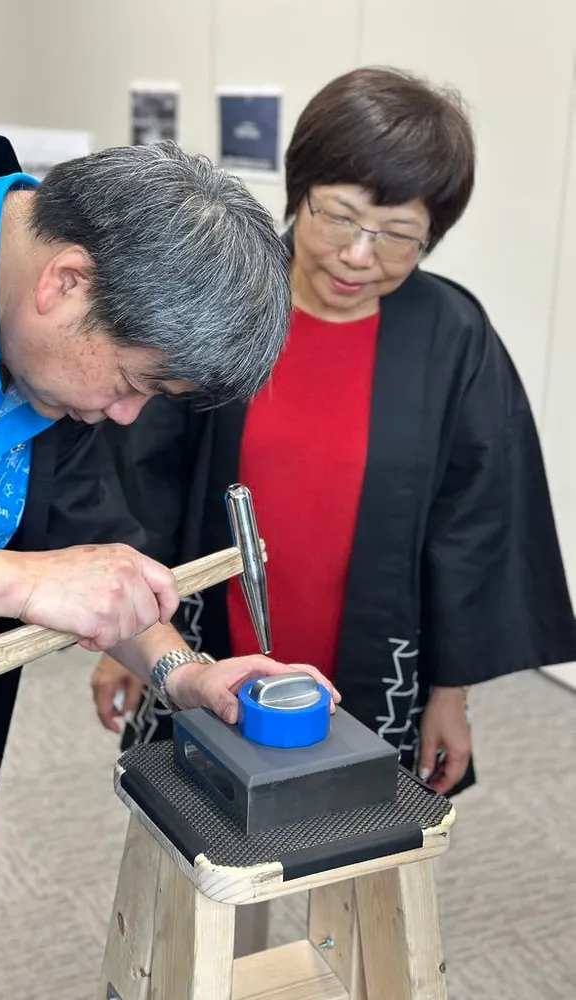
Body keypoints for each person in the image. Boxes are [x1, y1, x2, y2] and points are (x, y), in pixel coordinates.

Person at [0, 133, 342, 1000]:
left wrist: (186, 674)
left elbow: (91, 543)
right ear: (65, 282)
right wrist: (27, 581)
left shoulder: (48, 360)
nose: (128, 413)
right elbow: (49, 571)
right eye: (136, 381)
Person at [91, 67, 576, 797]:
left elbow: (471, 530)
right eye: (339, 217)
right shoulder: (224, 301)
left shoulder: (452, 337)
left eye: (397, 236)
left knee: (355, 853)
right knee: (204, 843)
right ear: (299, 192)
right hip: (206, 647)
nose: (358, 255)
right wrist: (126, 644)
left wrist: (450, 695)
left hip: (376, 662)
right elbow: (144, 478)